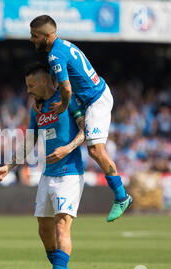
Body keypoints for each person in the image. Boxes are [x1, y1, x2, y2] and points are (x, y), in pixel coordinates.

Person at [0, 62, 85, 269]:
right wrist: (9, 166)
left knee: (62, 226)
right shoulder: (37, 110)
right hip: (47, 175)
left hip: (70, 173)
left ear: (45, 81)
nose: (28, 90)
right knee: (45, 230)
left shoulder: (68, 99)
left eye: (31, 85)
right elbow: (30, 141)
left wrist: (67, 148)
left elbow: (87, 131)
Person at [29, 15, 132, 222]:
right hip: (92, 96)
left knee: (95, 149)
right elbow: (57, 80)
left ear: (48, 35)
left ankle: (122, 196)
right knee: (93, 148)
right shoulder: (63, 46)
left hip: (95, 99)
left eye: (35, 35)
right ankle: (121, 195)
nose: (32, 39)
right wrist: (42, 98)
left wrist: (63, 106)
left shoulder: (55, 55)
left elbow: (66, 88)